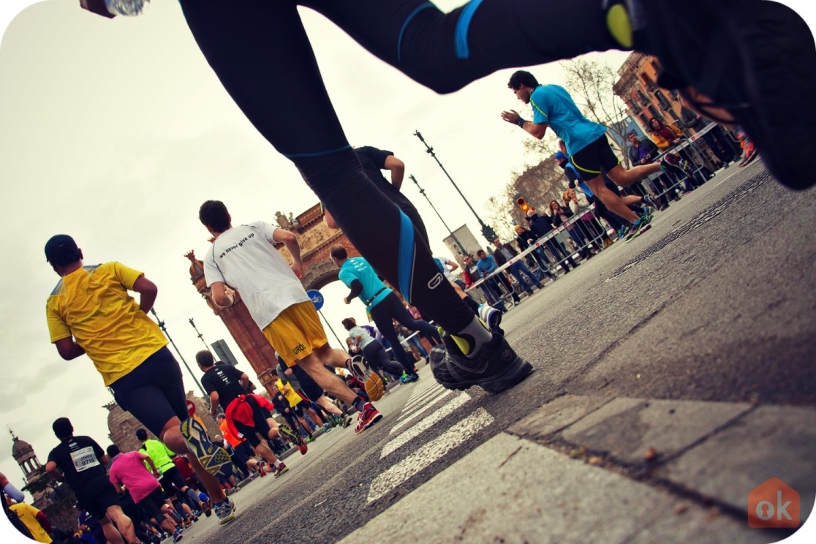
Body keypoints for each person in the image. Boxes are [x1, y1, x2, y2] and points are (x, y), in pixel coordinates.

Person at [42, 235, 235, 524]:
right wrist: (138, 312)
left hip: (124, 375)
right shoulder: (109, 269)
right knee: (186, 429)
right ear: (80, 252)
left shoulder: (55, 302)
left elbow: (66, 351)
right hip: (157, 354)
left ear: (54, 266)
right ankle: (220, 501)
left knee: (174, 436)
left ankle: (208, 469)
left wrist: (93, 339)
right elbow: (149, 288)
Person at [199, 201, 383, 434]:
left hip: (270, 314)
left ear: (208, 228)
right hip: (297, 296)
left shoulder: (212, 256)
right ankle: (349, 362)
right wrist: (297, 262)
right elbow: (290, 237)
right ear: (228, 215)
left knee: (312, 366)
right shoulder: (253, 227)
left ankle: (362, 407)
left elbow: (219, 298)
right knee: (325, 352)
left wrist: (229, 295)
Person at [502, 73, 661, 239]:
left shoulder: (536, 96)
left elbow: (538, 132)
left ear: (521, 85)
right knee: (623, 177)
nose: (517, 97)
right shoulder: (554, 88)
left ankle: (636, 221)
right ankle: (662, 164)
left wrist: (519, 121)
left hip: (578, 144)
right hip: (595, 133)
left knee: (599, 191)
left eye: (515, 92)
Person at [332, 245, 444, 381]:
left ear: (335, 259)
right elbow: (379, 273)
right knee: (411, 323)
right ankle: (440, 331)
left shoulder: (344, 272)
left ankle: (410, 373)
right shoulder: (361, 259)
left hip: (376, 304)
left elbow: (357, 286)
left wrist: (348, 298)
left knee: (393, 339)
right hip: (388, 294)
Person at [196, 350, 299, 474]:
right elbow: (245, 377)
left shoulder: (206, 378)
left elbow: (215, 397)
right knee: (266, 432)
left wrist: (212, 410)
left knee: (255, 441)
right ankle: (280, 430)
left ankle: (279, 464)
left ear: (200, 364)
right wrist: (243, 389)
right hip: (248, 400)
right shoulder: (226, 367)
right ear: (212, 359)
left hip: (235, 409)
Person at [45, 418, 139, 544]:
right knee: (117, 513)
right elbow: (105, 460)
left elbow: (49, 468)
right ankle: (133, 541)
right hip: (100, 481)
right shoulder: (86, 440)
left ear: (57, 435)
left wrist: (62, 478)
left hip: (83, 491)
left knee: (105, 522)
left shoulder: (56, 452)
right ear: (72, 428)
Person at [106, 445, 183, 543]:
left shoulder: (113, 469)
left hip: (139, 493)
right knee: (161, 505)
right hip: (152, 483)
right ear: (119, 449)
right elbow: (147, 457)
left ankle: (174, 531)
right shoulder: (133, 454)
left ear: (110, 456)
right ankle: (169, 509)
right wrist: (154, 470)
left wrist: (123, 489)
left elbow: (117, 489)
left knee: (156, 513)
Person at [135, 430, 209, 516]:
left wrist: (152, 469)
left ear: (138, 439)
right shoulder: (157, 442)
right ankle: (200, 502)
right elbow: (171, 453)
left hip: (160, 473)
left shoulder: (142, 450)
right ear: (147, 434)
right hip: (170, 466)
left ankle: (186, 517)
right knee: (184, 487)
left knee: (172, 497)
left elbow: (147, 462)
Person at [342, 317, 412, 383]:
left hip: (368, 348)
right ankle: (405, 369)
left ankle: (382, 384)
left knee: (373, 368)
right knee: (387, 362)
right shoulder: (359, 328)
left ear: (346, 326)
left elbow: (358, 337)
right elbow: (364, 338)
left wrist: (356, 345)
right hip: (375, 343)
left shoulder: (351, 332)